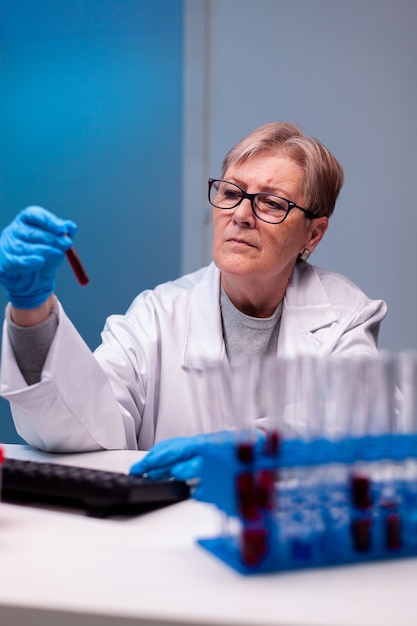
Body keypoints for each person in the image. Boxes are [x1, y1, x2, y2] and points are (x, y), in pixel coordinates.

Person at [0, 121, 387, 479]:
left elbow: (356, 427)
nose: (240, 215)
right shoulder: (157, 316)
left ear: (313, 235)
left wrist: (245, 452)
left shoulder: (345, 316)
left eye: (271, 202)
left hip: (284, 540)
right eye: (232, 192)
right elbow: (80, 426)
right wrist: (31, 309)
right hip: (165, 539)